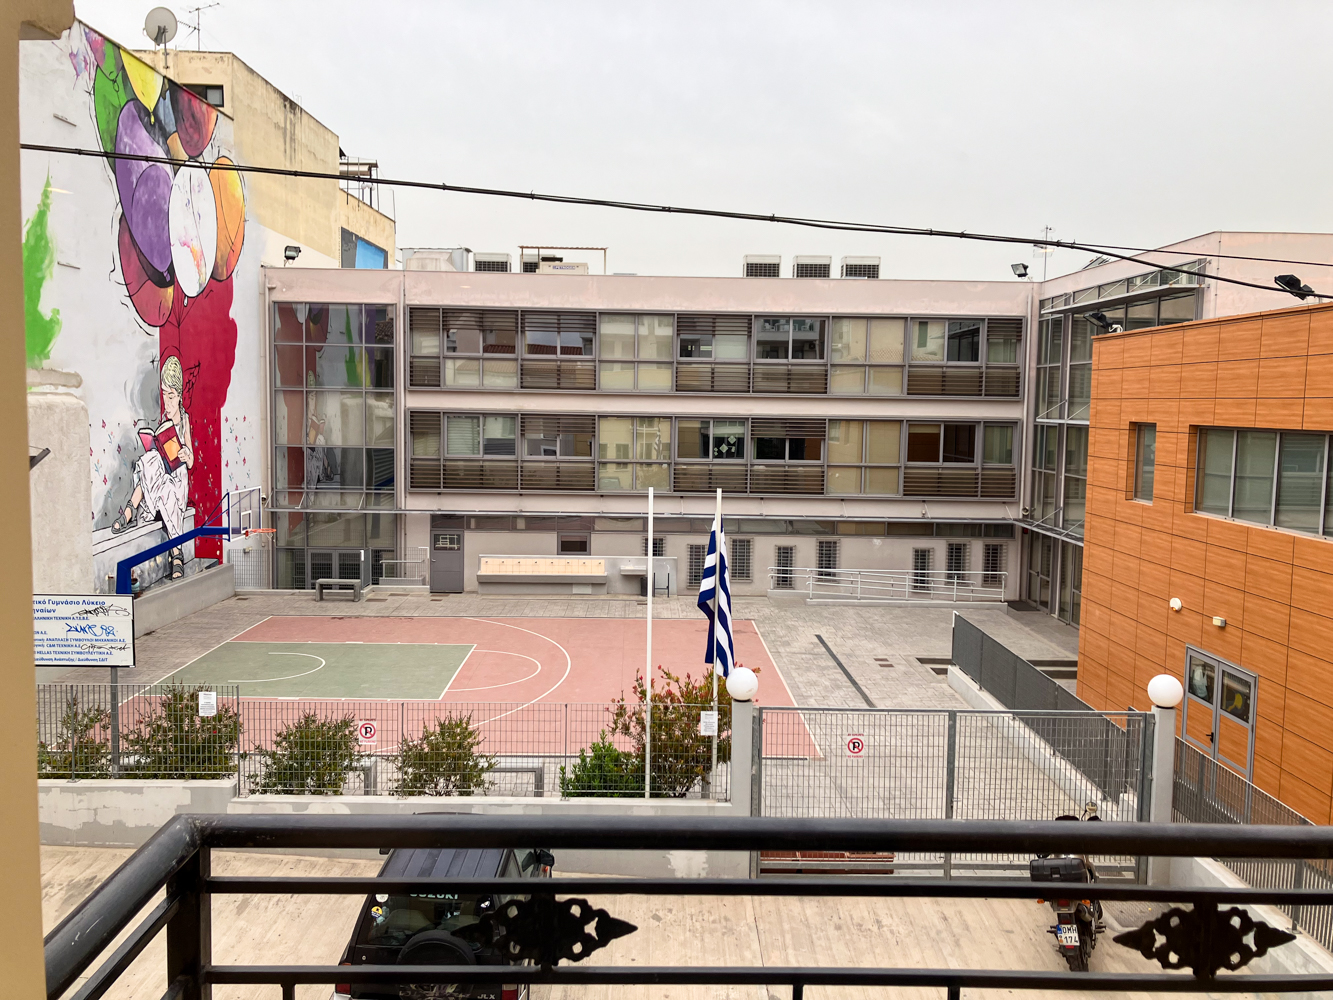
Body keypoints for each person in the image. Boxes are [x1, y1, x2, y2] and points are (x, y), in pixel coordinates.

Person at [110, 355, 195, 579]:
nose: (167, 401)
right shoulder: (162, 422)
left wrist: (186, 454)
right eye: (164, 394)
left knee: (160, 478)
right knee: (151, 461)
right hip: (160, 476)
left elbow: (192, 461)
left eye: (171, 395)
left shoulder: (185, 420)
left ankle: (176, 554)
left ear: (179, 396)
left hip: (177, 480)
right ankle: (130, 512)